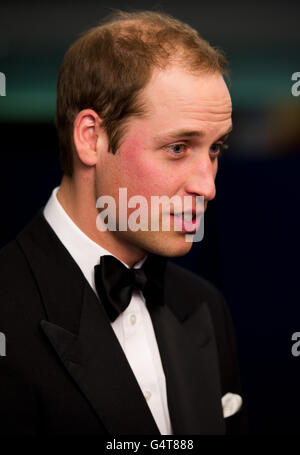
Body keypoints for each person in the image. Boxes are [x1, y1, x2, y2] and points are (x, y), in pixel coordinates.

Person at [0, 10, 246, 435]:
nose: (207, 187)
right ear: (90, 137)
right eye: (177, 147)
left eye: (215, 149)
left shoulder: (205, 306)